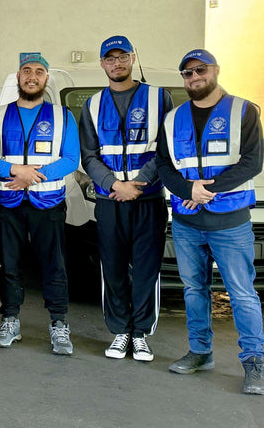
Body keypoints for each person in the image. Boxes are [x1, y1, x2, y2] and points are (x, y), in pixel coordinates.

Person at [155, 49, 264, 395]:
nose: (194, 77)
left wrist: (207, 190)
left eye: (200, 70)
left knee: (242, 294)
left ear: (215, 70)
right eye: (187, 73)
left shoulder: (243, 111)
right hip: (188, 222)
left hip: (230, 222)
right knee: (194, 291)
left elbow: (252, 162)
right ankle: (201, 353)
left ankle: (254, 363)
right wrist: (188, 188)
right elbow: (163, 166)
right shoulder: (173, 119)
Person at [78, 36, 173, 362]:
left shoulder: (160, 98)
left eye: (122, 57)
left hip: (148, 200)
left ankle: (141, 333)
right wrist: (115, 185)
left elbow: (166, 149)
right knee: (114, 268)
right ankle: (120, 331)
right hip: (110, 200)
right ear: (102, 63)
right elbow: (89, 156)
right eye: (110, 58)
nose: (116, 63)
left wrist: (140, 183)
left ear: (133, 58)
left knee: (147, 269)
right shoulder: (92, 105)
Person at [0, 52, 80, 355]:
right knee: (10, 265)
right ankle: (10, 320)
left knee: (54, 266)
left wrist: (32, 176)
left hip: (48, 202)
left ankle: (59, 324)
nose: (32, 76)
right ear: (18, 76)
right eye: (26, 71)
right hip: (8, 202)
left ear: (46, 78)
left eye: (39, 71)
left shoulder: (63, 116)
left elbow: (70, 159)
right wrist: (16, 172)